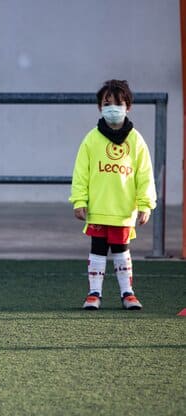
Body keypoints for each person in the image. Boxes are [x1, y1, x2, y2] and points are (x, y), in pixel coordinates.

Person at [69, 79, 156, 311]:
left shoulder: (136, 140)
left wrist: (146, 204)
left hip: (123, 211)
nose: (113, 108)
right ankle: (94, 294)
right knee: (97, 250)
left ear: (128, 106)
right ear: (99, 107)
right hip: (98, 209)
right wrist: (80, 200)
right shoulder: (91, 139)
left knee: (121, 251)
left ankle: (127, 294)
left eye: (118, 103)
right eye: (107, 103)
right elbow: (81, 173)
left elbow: (144, 174)